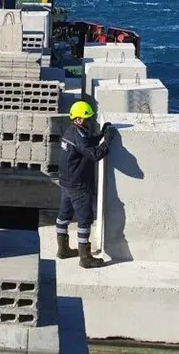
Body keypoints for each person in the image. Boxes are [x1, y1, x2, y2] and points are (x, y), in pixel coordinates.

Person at [56, 100, 117, 268]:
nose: (90, 122)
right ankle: (85, 258)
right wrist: (107, 141)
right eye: (88, 119)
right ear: (79, 120)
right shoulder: (78, 135)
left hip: (66, 183)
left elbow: (86, 143)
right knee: (85, 220)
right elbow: (94, 154)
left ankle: (63, 249)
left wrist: (100, 135)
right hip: (78, 186)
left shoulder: (71, 132)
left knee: (64, 216)